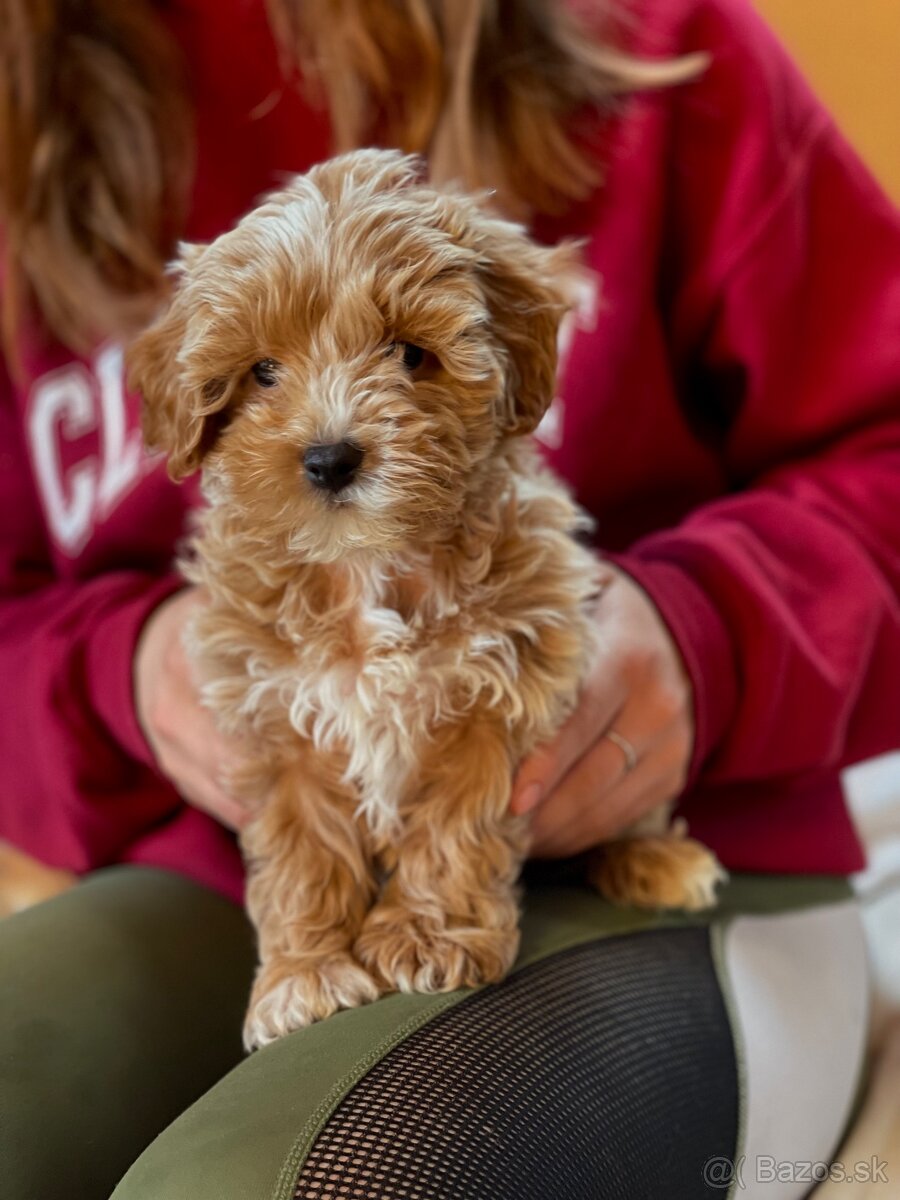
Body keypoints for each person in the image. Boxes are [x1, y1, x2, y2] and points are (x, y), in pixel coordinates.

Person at [1, 0, 896, 1196]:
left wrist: (705, 636)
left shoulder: (648, 37)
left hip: (688, 849)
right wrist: (124, 673)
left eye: (409, 354)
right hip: (223, 863)